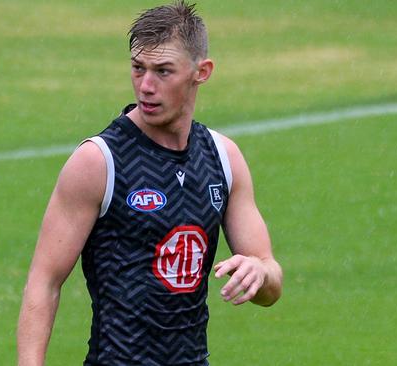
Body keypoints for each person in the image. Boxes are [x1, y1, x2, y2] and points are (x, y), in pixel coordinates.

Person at [17, 1, 283, 364]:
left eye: (163, 71)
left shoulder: (223, 158)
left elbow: (270, 283)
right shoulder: (99, 162)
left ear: (201, 72)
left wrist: (260, 271)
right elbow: (43, 282)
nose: (145, 86)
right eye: (138, 68)